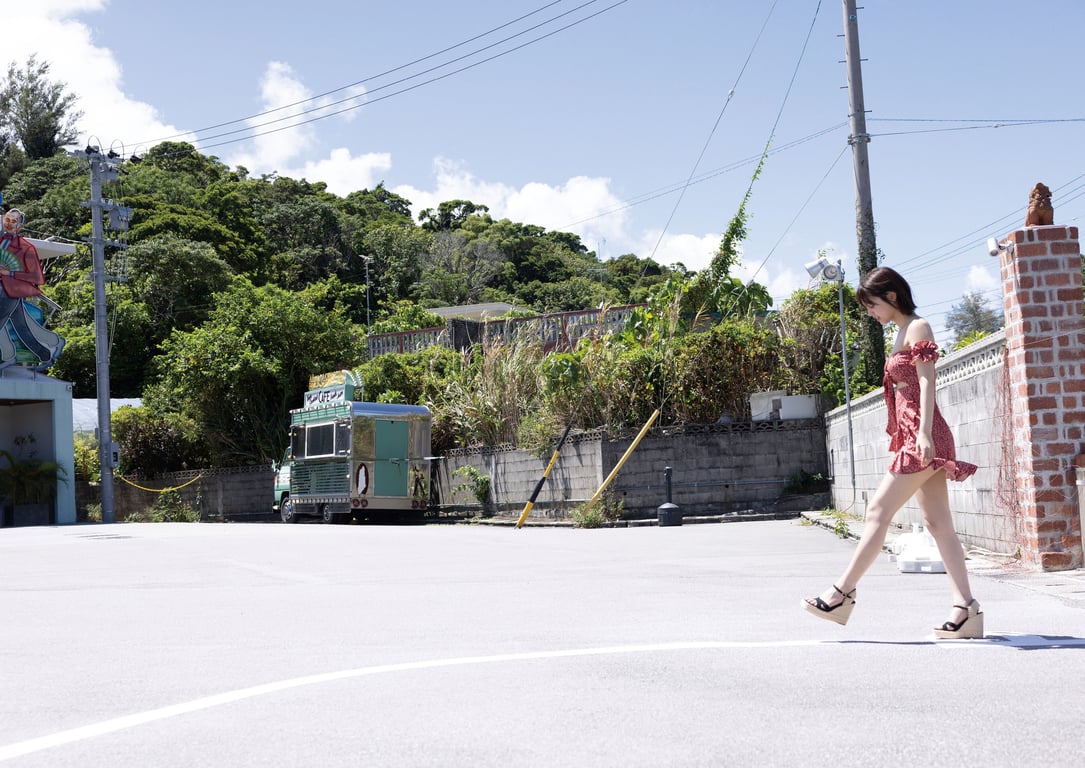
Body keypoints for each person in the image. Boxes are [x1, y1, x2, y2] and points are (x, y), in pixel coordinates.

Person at [802, 266, 982, 639]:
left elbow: (928, 381)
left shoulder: (917, 327)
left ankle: (842, 592)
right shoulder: (899, 332)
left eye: (871, 305)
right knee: (939, 525)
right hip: (915, 436)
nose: (870, 313)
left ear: (892, 297)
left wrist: (924, 433)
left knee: (878, 511)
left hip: (923, 436)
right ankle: (966, 607)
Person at [0, 208, 65, 369]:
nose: (9, 223)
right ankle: (45, 355)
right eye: (8, 219)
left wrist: (11, 272)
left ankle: (8, 357)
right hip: (2, 290)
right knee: (23, 329)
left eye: (14, 221)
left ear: (20, 226)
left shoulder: (26, 248)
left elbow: (37, 277)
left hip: (12, 293)